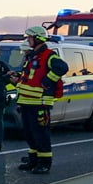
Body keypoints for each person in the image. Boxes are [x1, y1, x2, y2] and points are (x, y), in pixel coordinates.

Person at [12, 25, 67, 174]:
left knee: (41, 134)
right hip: (27, 102)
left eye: (29, 38)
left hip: (40, 103)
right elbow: (30, 78)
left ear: (37, 38)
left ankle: (44, 163)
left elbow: (62, 68)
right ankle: (33, 160)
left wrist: (48, 81)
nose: (28, 40)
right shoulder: (32, 57)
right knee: (30, 134)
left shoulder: (49, 56)